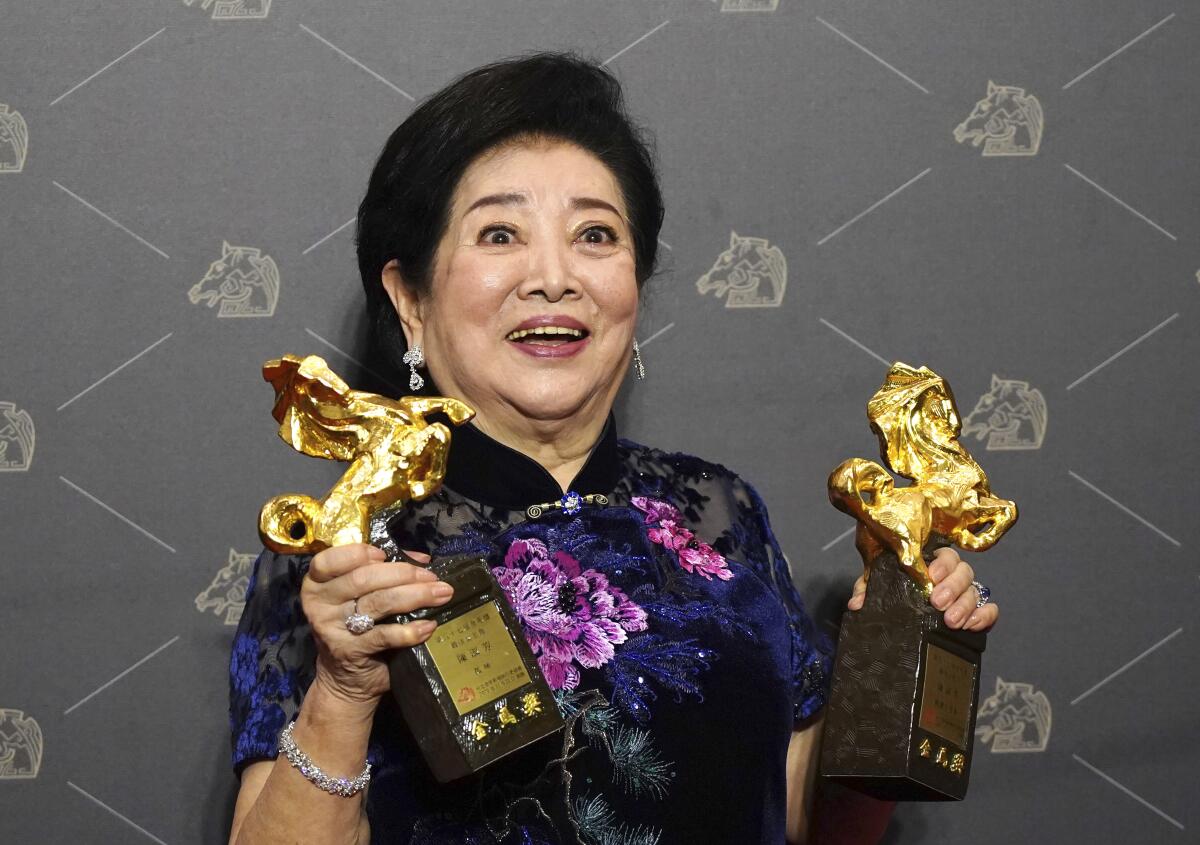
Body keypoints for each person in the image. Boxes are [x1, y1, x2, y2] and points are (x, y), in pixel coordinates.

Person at [226, 52, 998, 845]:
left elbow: (811, 821)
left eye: (595, 233)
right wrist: (344, 691)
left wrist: (890, 665)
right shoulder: (343, 558)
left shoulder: (719, 513)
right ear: (410, 298)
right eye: (500, 233)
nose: (554, 277)